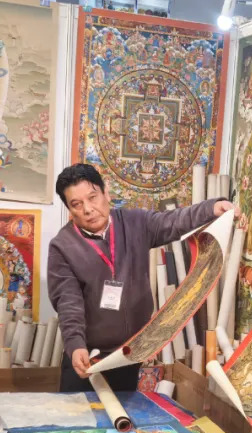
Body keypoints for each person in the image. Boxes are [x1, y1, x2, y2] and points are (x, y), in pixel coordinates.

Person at [47, 163, 236, 392]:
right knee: (78, 413)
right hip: (88, 356)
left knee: (123, 412)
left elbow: (173, 221)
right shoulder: (62, 246)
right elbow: (68, 302)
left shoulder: (135, 223)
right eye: (77, 204)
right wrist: (75, 345)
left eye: (93, 197)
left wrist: (212, 208)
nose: (88, 209)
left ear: (106, 193)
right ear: (69, 208)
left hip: (127, 354)